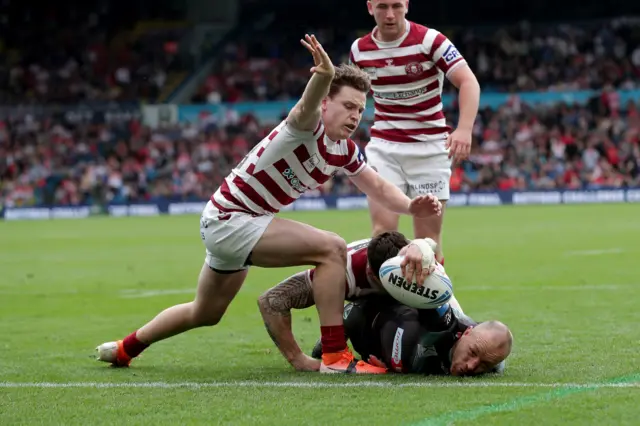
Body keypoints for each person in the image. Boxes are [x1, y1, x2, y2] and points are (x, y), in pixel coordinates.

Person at [95, 35, 442, 374]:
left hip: (234, 224)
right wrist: (322, 77)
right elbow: (306, 107)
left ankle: (125, 349)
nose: (355, 116)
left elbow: (378, 186)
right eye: (348, 106)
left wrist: (412, 207)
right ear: (326, 103)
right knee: (332, 248)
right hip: (233, 219)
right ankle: (335, 356)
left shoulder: (345, 151)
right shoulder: (306, 128)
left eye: (361, 110)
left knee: (205, 312)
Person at [349, 0, 481, 264]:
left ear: (407, 6)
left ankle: (433, 305)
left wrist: (465, 129)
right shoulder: (360, 50)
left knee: (427, 243)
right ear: (369, 7)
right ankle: (381, 305)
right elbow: (352, 95)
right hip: (384, 148)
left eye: (396, 6)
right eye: (382, 7)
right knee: (382, 237)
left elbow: (468, 81)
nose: (389, 14)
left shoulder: (431, 40)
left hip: (430, 150)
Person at [258, 231, 465, 371]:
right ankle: (339, 333)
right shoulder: (342, 272)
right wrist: (299, 360)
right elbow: (272, 300)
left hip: (400, 312)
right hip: (364, 311)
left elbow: (452, 312)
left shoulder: (417, 265)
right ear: (371, 274)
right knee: (361, 312)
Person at [311, 297, 512, 376]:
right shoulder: (443, 322)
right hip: (367, 321)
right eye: (472, 353)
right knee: (324, 349)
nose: (471, 366)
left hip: (382, 353)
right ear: (466, 333)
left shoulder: (492, 357)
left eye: (483, 365)